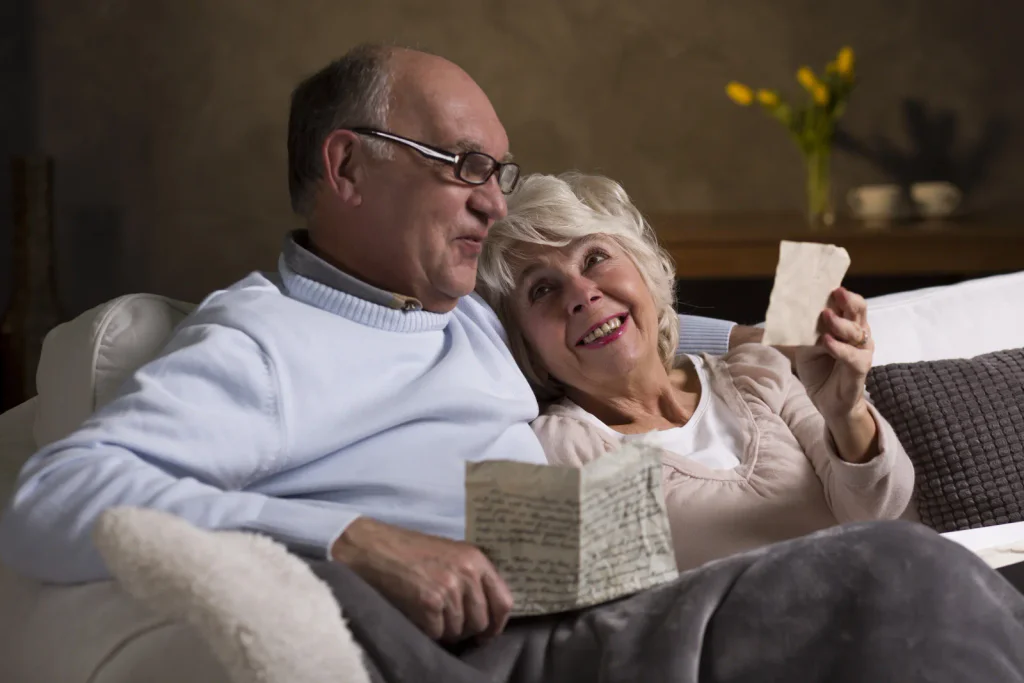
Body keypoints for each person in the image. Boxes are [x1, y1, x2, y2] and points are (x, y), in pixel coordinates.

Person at [2, 43, 1024, 683]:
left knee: (929, 580)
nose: (492, 199)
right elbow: (49, 497)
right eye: (464, 166)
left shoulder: (462, 316)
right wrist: (353, 538)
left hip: (603, 603)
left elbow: (631, 325)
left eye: (500, 169)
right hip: (496, 647)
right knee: (901, 571)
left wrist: (774, 339)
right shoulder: (261, 341)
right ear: (346, 165)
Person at [474, 172, 916, 570]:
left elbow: (882, 510)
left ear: (644, 272)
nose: (582, 294)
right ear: (524, 346)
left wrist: (847, 413)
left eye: (593, 259)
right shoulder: (557, 451)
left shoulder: (758, 373)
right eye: (542, 289)